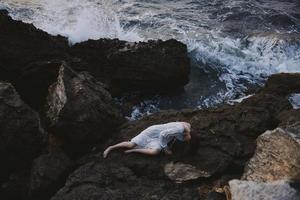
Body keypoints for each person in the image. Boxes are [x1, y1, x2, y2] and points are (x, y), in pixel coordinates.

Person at [103, 122, 191, 158]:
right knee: (131, 144)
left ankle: (135, 150)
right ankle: (111, 147)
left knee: (155, 152)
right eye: (186, 139)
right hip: (153, 133)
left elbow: (175, 137)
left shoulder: (185, 131)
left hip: (159, 139)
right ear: (187, 134)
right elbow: (163, 134)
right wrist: (166, 148)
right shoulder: (180, 129)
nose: (184, 140)